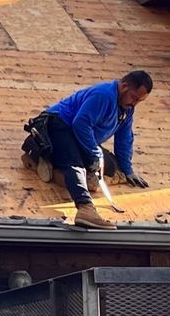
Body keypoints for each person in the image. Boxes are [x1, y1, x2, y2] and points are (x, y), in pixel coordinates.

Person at [24, 70, 152, 229]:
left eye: (139, 101)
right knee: (75, 165)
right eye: (134, 98)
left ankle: (51, 163)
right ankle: (85, 208)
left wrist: (127, 169)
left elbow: (124, 138)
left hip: (76, 135)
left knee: (109, 166)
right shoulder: (103, 95)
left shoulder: (127, 109)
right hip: (57, 126)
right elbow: (81, 124)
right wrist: (93, 152)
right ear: (124, 86)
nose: (134, 103)